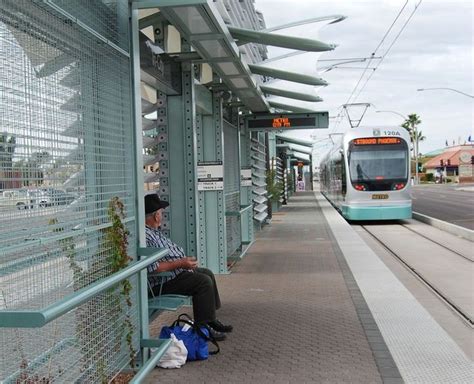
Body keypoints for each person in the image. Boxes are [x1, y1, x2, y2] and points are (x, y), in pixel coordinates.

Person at [144, 193, 232, 340]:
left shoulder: (153, 232)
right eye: (161, 213)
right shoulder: (146, 236)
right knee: (202, 282)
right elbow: (153, 268)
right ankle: (203, 328)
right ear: (155, 216)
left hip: (173, 274)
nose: (162, 216)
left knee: (207, 273)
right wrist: (180, 263)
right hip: (161, 283)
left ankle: (210, 320)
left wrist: (184, 264)